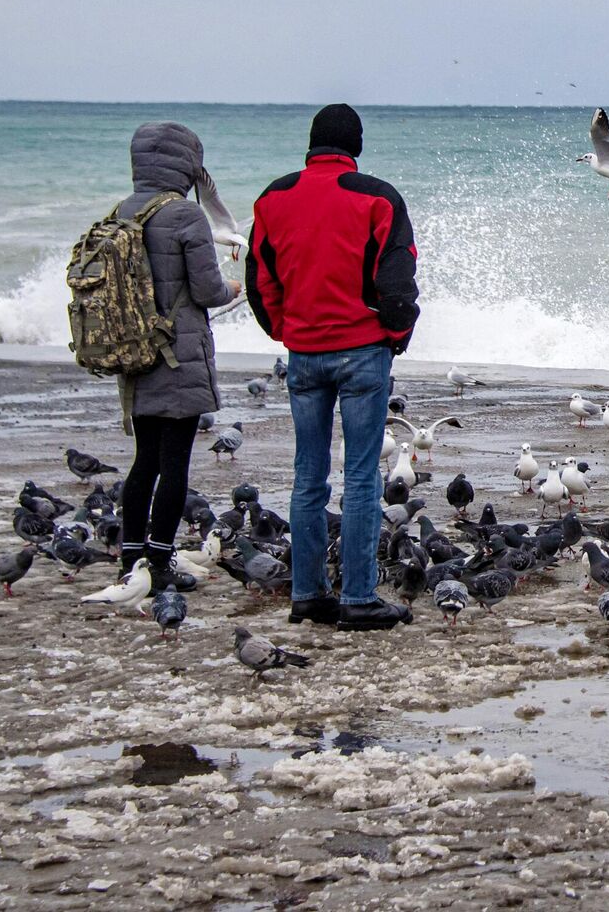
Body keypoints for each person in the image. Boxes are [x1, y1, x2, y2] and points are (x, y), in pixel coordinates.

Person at [247, 104, 420, 631]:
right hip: (363, 350)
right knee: (363, 476)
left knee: (308, 476)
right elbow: (397, 279)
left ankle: (307, 594)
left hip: (303, 354)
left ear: (312, 144)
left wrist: (285, 329)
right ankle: (359, 597)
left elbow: (260, 276)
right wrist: (396, 336)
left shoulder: (273, 197)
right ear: (356, 146)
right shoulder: (378, 196)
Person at [116, 122, 240, 594]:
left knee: (143, 459)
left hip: (135, 354)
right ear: (186, 163)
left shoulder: (122, 211)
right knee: (175, 462)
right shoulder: (186, 216)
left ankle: (131, 561)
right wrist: (231, 288)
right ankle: (161, 561)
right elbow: (207, 291)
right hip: (179, 355)